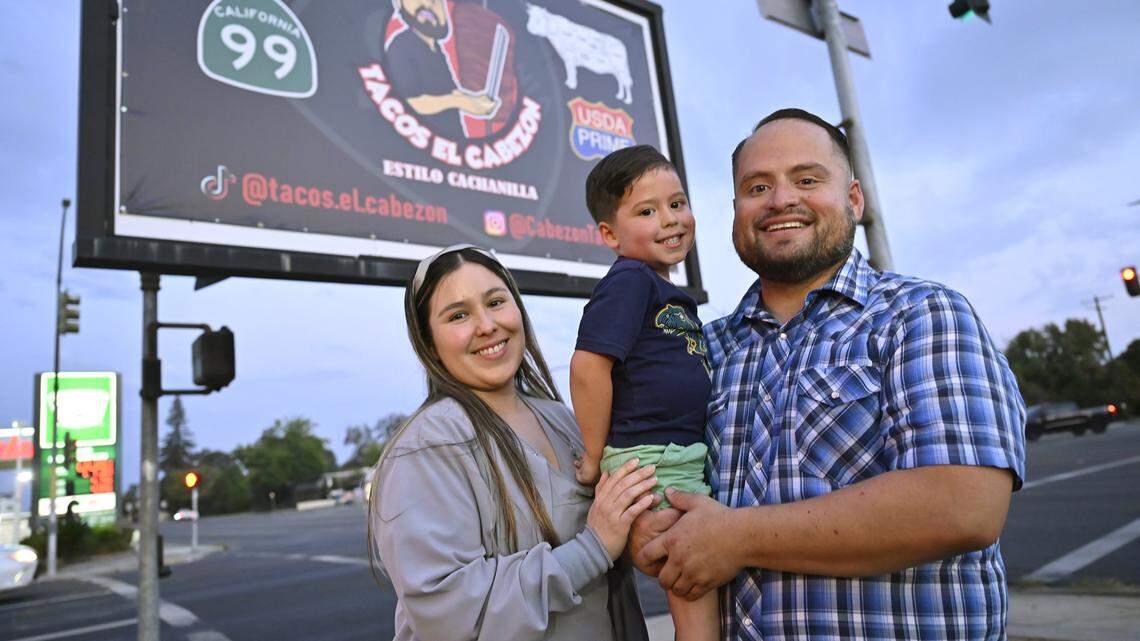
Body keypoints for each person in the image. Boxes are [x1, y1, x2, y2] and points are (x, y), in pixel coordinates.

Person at [632, 109, 1027, 640]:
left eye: (807, 179)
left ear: (855, 200)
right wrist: (651, 531)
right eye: (757, 187)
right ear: (735, 212)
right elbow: (661, 474)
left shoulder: (921, 314)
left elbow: (964, 505)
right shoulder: (703, 349)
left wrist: (737, 537)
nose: (780, 200)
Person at [369, 244, 656, 641]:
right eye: (458, 315)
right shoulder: (426, 447)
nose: (486, 325)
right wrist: (593, 548)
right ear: (429, 342)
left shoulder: (562, 418)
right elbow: (448, 615)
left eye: (496, 302)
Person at [571, 145, 718, 640]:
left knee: (700, 588)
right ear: (610, 234)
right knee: (695, 591)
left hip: (676, 455)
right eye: (647, 211)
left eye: (677, 204)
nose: (670, 220)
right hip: (652, 460)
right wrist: (594, 456)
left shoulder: (663, 289)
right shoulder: (631, 280)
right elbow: (589, 366)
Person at [384, 0, 496, 140]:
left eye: (436, 1)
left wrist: (476, 100)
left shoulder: (436, 49)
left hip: (453, 144)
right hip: (422, 142)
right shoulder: (400, 46)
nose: (429, 4)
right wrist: (461, 102)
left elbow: (450, 91)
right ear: (399, 4)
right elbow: (411, 101)